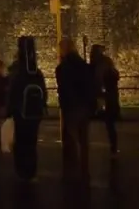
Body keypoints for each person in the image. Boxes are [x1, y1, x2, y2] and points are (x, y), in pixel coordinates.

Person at [6, 36, 47, 181]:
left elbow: (12, 91)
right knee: (31, 142)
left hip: (20, 113)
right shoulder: (37, 72)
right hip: (35, 113)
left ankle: (22, 171)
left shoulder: (17, 71)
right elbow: (44, 92)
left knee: (21, 142)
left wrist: (8, 110)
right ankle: (31, 170)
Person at [56, 38, 95, 181]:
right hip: (84, 107)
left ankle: (74, 171)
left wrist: (65, 104)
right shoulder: (83, 65)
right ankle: (84, 169)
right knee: (84, 140)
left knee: (72, 140)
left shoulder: (63, 67)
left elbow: (64, 89)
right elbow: (90, 86)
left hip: (71, 108)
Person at [90, 44, 120, 155]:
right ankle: (113, 148)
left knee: (108, 123)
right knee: (110, 125)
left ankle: (113, 148)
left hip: (103, 98)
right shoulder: (106, 63)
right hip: (109, 98)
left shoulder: (98, 64)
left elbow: (97, 81)